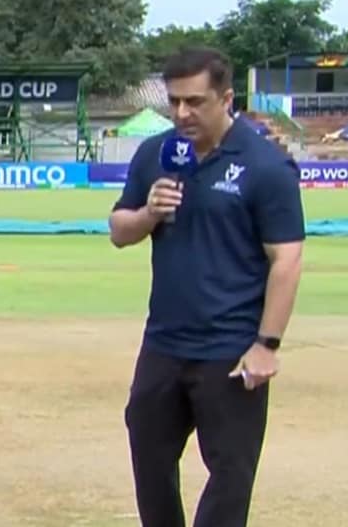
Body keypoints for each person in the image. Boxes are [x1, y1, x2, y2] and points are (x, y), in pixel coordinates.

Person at [107, 47, 305, 527]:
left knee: (231, 474)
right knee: (149, 455)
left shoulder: (265, 166)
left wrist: (266, 345)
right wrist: (149, 213)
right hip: (164, 342)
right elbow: (119, 230)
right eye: (174, 101)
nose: (181, 113)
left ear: (227, 99)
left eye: (194, 102)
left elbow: (286, 259)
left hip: (230, 348)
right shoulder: (156, 154)